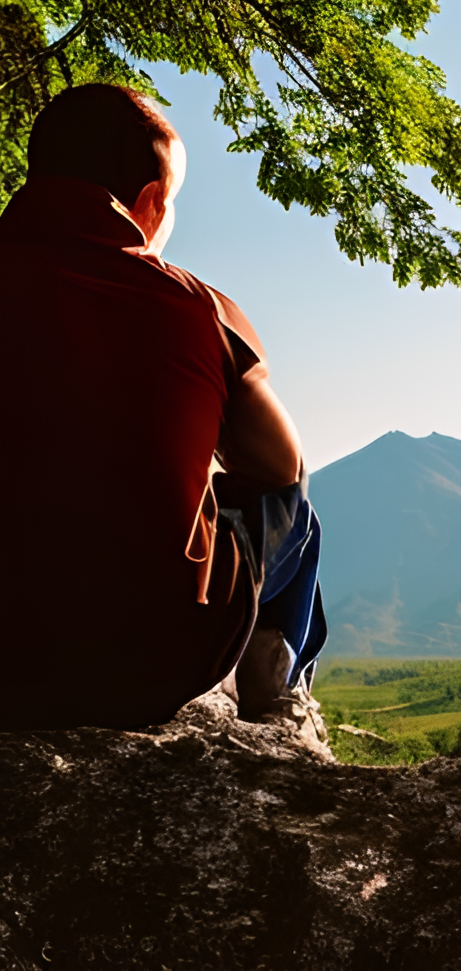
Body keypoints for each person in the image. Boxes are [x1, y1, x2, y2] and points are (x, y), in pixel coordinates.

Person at [0, 84, 328, 731]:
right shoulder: (202, 308)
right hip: (149, 665)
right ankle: (272, 698)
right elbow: (282, 472)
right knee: (297, 517)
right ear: (150, 204)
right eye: (172, 201)